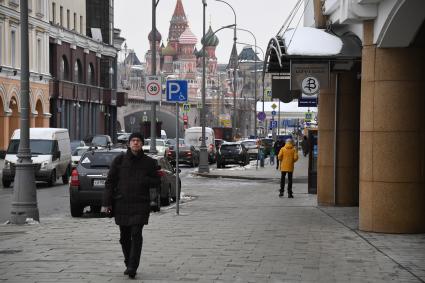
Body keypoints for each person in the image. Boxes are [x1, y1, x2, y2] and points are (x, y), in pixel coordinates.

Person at [102, 132, 160, 279]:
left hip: (140, 203)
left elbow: (156, 182)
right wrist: (107, 203)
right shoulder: (119, 160)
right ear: (129, 143)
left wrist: (144, 180)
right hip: (122, 203)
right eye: (133, 140)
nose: (135, 143)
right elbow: (110, 182)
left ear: (142, 144)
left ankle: (133, 266)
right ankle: (129, 261)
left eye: (138, 141)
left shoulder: (149, 162)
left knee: (136, 234)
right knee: (124, 237)